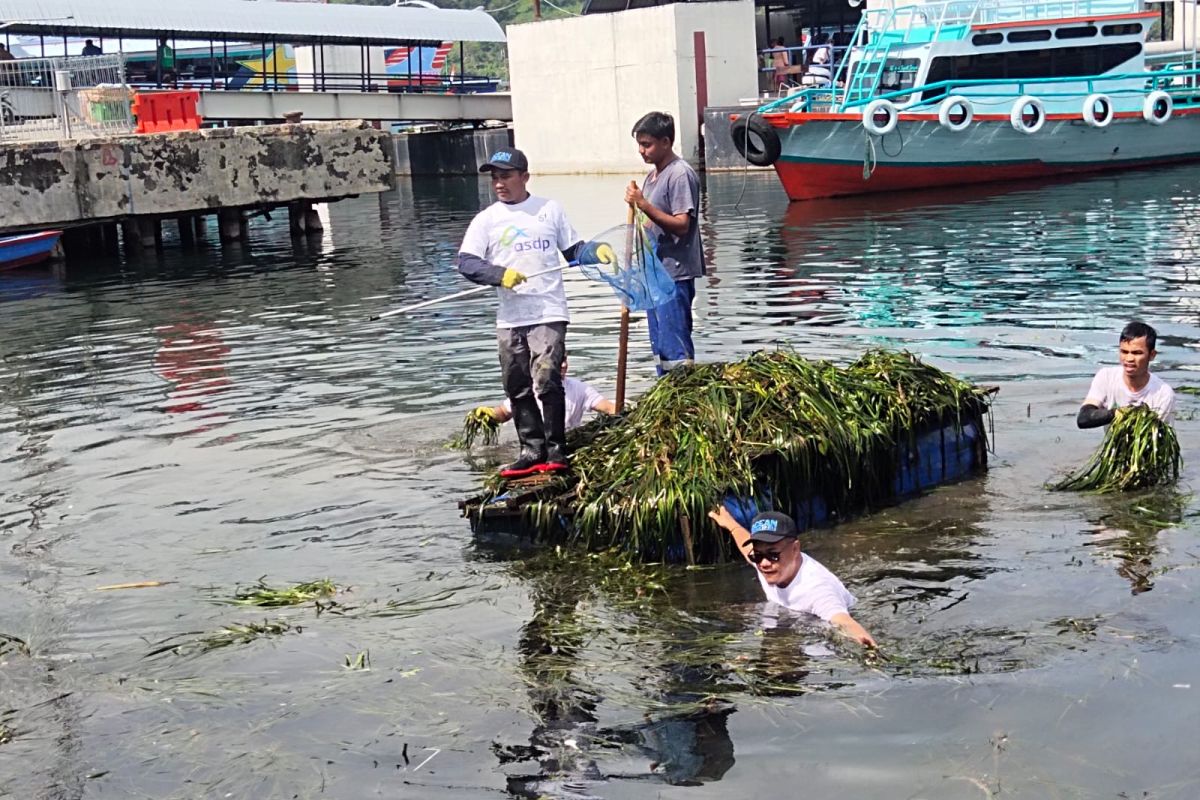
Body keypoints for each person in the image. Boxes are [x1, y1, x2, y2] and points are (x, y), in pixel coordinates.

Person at [458, 147, 605, 478]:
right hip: (510, 317)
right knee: (517, 383)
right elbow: (466, 262)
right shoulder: (486, 220)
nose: (499, 183)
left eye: (506, 176)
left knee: (547, 378)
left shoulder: (549, 210)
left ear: (524, 177)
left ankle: (556, 450)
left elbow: (573, 251)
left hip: (548, 309)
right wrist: (499, 275)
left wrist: (596, 252)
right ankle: (531, 450)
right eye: (494, 178)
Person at [708, 507, 876, 647]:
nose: (764, 564)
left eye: (773, 555)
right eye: (758, 556)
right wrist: (730, 524)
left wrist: (867, 646)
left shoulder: (817, 588)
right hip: (789, 613)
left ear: (795, 549)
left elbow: (842, 621)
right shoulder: (766, 561)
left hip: (817, 626)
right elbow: (747, 549)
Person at [625, 112, 705, 375]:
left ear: (666, 142)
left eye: (646, 144)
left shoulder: (679, 174)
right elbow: (652, 224)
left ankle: (683, 397)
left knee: (675, 346)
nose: (641, 151)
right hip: (655, 276)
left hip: (675, 274)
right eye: (639, 144)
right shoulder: (651, 178)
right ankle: (665, 395)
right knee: (660, 347)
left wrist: (644, 205)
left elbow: (682, 225)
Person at [475, 351, 617, 431]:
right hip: (538, 444)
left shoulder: (579, 389)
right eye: (558, 361)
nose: (563, 365)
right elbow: (505, 412)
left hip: (567, 440)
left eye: (564, 360)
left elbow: (610, 408)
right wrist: (486, 415)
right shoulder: (530, 388)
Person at [1077, 320, 1176, 428]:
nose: (1129, 359)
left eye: (1137, 353)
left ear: (1152, 355)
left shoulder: (1163, 394)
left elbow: (1159, 439)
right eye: (1124, 352)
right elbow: (1084, 419)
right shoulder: (1106, 377)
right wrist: (1118, 413)